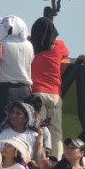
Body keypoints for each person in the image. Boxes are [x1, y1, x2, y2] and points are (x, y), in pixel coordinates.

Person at [30, 16, 69, 158]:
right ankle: (56, 161)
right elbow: (67, 53)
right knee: (56, 132)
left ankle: (38, 160)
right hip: (55, 95)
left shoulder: (31, 47)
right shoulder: (59, 46)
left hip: (38, 93)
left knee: (38, 129)